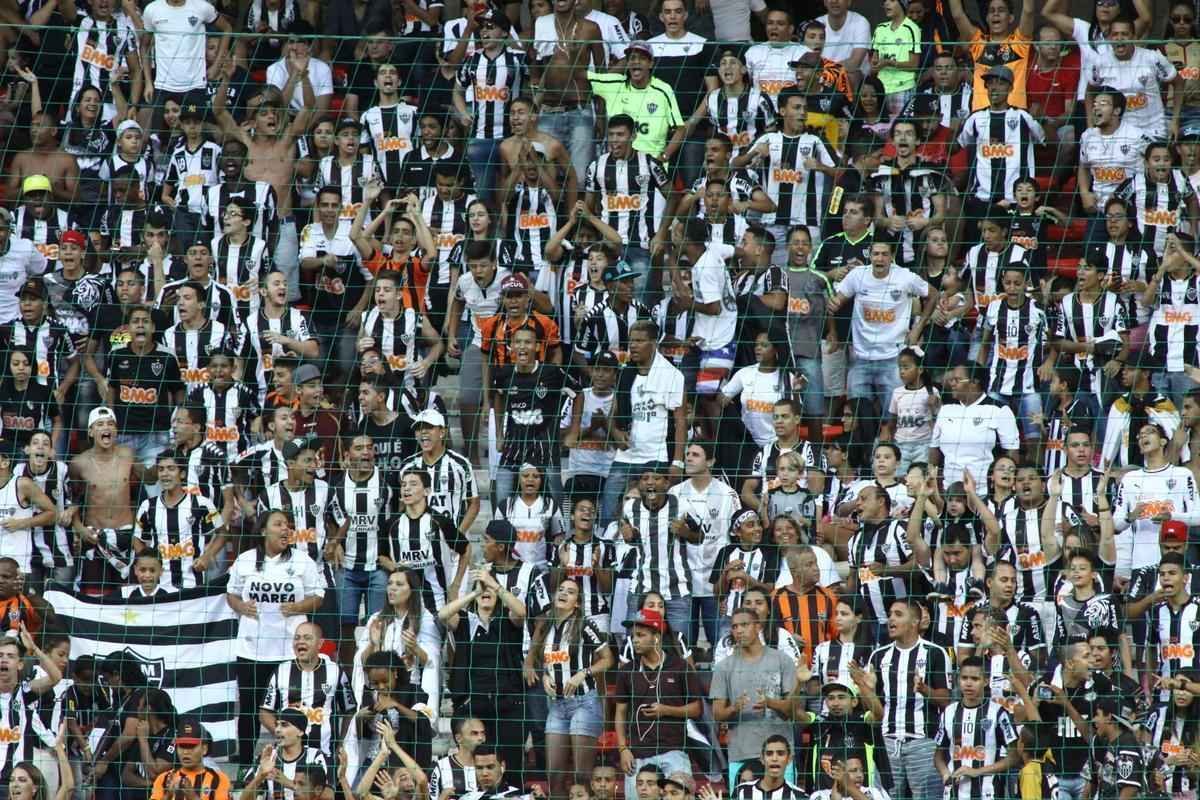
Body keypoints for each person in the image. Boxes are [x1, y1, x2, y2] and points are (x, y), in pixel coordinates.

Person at [225, 508, 326, 766]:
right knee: (248, 709)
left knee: (292, 709)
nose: (286, 529)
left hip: (289, 651)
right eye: (279, 524)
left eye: (288, 525)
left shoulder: (303, 561)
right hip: (251, 650)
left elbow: (319, 595)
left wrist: (298, 607)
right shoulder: (246, 560)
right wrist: (241, 607)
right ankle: (246, 763)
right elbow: (231, 593)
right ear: (262, 531)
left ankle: (299, 759)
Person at [827, 240, 937, 445]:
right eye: (876, 253)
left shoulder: (904, 277)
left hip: (893, 360)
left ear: (892, 256)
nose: (879, 258)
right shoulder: (857, 275)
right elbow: (835, 301)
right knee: (859, 419)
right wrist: (834, 312)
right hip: (861, 358)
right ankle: (862, 461)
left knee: (893, 420)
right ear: (870, 255)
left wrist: (918, 328)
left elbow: (933, 295)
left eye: (884, 254)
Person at [532, 577, 613, 800]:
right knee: (554, 776)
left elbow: (608, 659)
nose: (564, 593)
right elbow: (539, 658)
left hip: (584, 702)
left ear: (577, 602)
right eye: (561, 589)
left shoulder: (585, 624)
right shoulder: (546, 625)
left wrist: (583, 673)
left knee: (581, 778)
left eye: (571, 592)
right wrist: (545, 676)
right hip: (557, 706)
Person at [868, 598, 950, 800]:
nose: (890, 620)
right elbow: (875, 710)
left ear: (915, 621)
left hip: (923, 742)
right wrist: (864, 688)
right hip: (887, 742)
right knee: (883, 797)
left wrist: (924, 689)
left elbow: (946, 700)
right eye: (889, 614)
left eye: (898, 614)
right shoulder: (878, 656)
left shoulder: (935, 653)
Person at [711, 607, 799, 785]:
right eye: (734, 627)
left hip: (779, 754)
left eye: (744, 625)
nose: (739, 630)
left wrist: (770, 703)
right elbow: (716, 714)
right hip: (741, 753)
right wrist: (734, 708)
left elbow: (794, 710)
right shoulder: (723, 667)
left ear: (758, 627)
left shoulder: (782, 660)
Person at [260, 622, 355, 757]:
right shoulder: (281, 671)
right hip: (289, 754)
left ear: (320, 644)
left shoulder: (335, 671)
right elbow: (265, 712)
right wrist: (282, 733)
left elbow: (350, 711)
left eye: (307, 638)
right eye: (297, 638)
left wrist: (341, 743)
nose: (301, 642)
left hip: (326, 753)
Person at [932, 656, 1018, 799]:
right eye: (964, 678)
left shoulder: (998, 713)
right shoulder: (949, 713)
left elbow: (1014, 757)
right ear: (958, 680)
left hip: (988, 792)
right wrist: (945, 774)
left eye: (974, 679)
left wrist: (978, 771)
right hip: (954, 793)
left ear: (985, 681)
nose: (968, 683)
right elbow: (938, 756)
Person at [929, 364, 1020, 489]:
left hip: (984, 490)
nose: (952, 384)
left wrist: (1005, 486)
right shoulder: (946, 410)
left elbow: (1012, 451)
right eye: (951, 380)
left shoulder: (999, 410)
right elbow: (934, 448)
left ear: (974, 382)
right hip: (950, 491)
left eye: (957, 380)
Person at [147, 718, 231, 800]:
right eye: (182, 746)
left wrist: (193, 797)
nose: (186, 752)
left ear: (204, 749)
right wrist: (168, 795)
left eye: (191, 747)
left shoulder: (218, 779)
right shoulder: (164, 779)